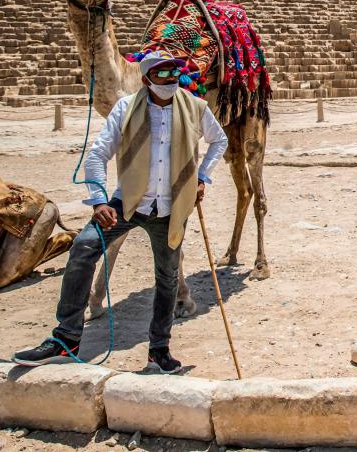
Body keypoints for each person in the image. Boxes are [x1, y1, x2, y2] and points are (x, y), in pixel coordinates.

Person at [12, 50, 227, 373]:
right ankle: (65, 338)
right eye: (162, 75)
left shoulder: (195, 108)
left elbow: (218, 140)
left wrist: (202, 177)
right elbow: (98, 155)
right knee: (84, 247)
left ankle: (159, 349)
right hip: (127, 202)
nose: (170, 81)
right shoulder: (125, 109)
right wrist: (99, 201)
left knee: (167, 279)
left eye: (174, 74)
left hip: (171, 205)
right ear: (145, 79)